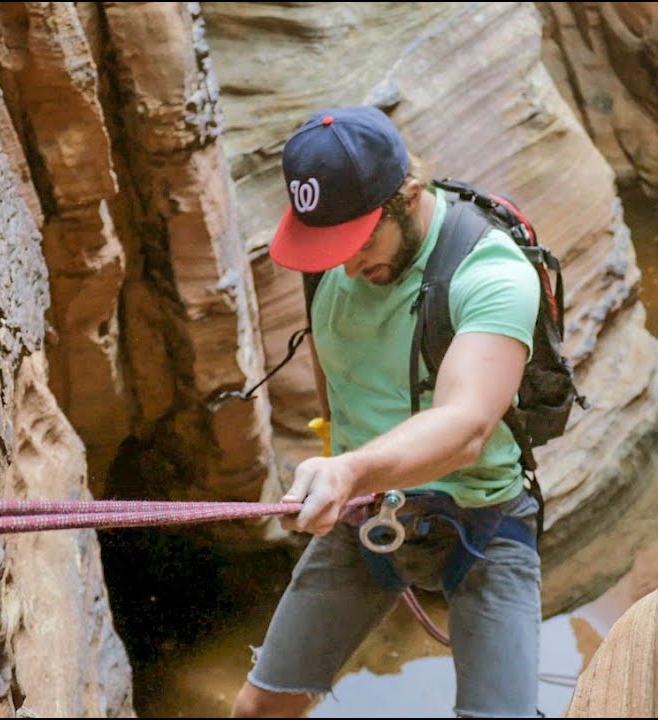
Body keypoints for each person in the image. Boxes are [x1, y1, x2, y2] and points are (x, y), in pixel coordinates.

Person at [231, 105, 543, 718]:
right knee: (256, 712)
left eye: (360, 241)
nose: (344, 265)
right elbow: (333, 367)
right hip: (366, 513)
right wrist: (336, 457)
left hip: (483, 518)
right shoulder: (333, 263)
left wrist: (350, 471)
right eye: (329, 247)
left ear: (409, 195)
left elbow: (466, 427)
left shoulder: (492, 272)